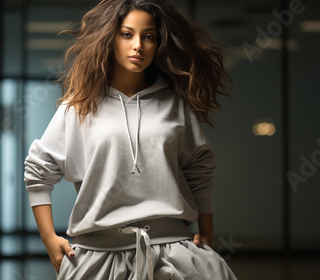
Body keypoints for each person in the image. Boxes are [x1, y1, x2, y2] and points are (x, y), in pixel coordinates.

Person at [24, 0, 236, 279]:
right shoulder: (78, 106)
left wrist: (206, 231)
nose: (139, 45)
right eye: (127, 34)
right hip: (96, 260)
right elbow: (39, 171)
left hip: (174, 256)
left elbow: (199, 168)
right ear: (109, 38)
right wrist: (49, 238)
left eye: (149, 36)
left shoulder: (176, 105)